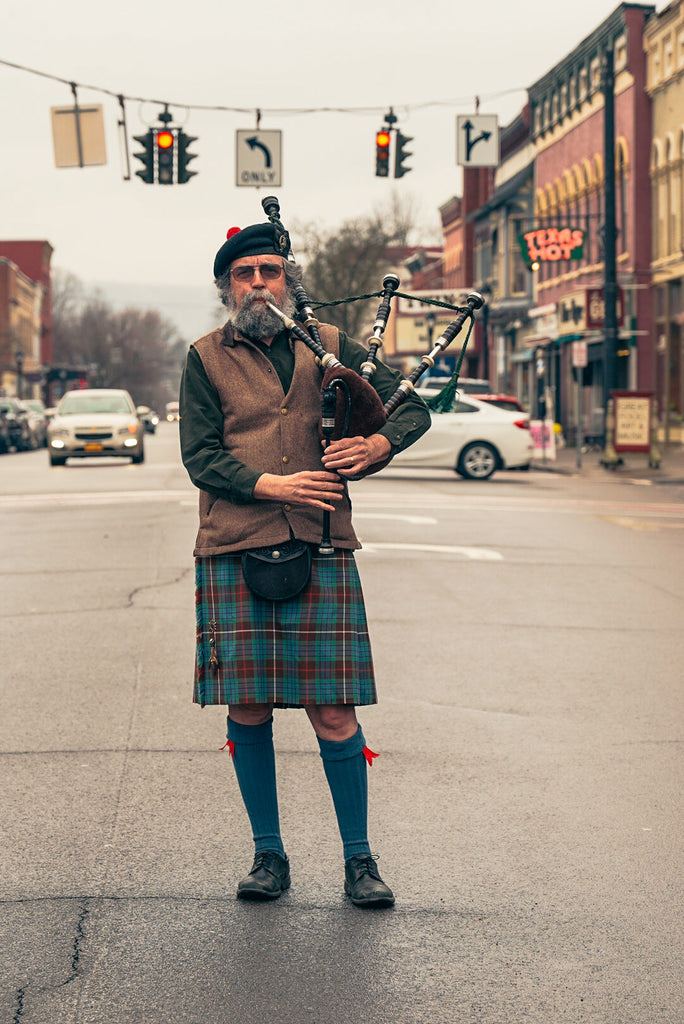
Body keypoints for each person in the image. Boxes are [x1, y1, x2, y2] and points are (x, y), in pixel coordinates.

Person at [179, 219, 430, 908]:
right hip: (234, 542)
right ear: (226, 288)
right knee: (249, 704)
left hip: (321, 544)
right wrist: (274, 486)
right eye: (243, 274)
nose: (258, 283)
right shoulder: (204, 357)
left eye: (269, 271)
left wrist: (378, 446)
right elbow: (199, 456)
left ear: (289, 280)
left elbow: (412, 410)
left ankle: (360, 861)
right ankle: (269, 857)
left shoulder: (333, 346)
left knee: (333, 711)